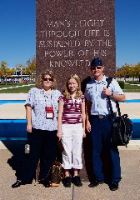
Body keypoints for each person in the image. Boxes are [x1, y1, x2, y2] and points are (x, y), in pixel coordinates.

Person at [12, 71, 61, 188]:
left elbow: (61, 112)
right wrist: (29, 124)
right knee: (31, 155)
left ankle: (44, 178)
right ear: (41, 80)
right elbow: (28, 107)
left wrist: (60, 129)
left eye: (50, 79)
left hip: (52, 129)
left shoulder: (57, 94)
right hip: (36, 128)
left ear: (53, 81)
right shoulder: (34, 92)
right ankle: (24, 178)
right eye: (45, 78)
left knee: (48, 156)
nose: (48, 80)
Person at [85, 57, 125, 191]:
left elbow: (123, 97)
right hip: (95, 120)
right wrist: (87, 120)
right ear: (91, 69)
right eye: (93, 68)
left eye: (98, 67)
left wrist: (111, 93)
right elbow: (88, 103)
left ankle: (115, 179)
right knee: (95, 150)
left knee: (112, 150)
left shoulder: (111, 82)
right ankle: (98, 177)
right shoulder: (89, 85)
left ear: (103, 68)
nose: (96, 70)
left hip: (109, 120)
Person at [57, 74, 85, 187]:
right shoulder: (63, 97)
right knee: (67, 151)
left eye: (73, 83)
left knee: (77, 151)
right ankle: (67, 174)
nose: (71, 85)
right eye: (69, 83)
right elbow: (59, 114)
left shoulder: (81, 97)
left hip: (78, 127)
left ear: (77, 84)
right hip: (66, 127)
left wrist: (83, 129)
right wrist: (59, 129)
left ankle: (76, 175)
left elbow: (83, 114)